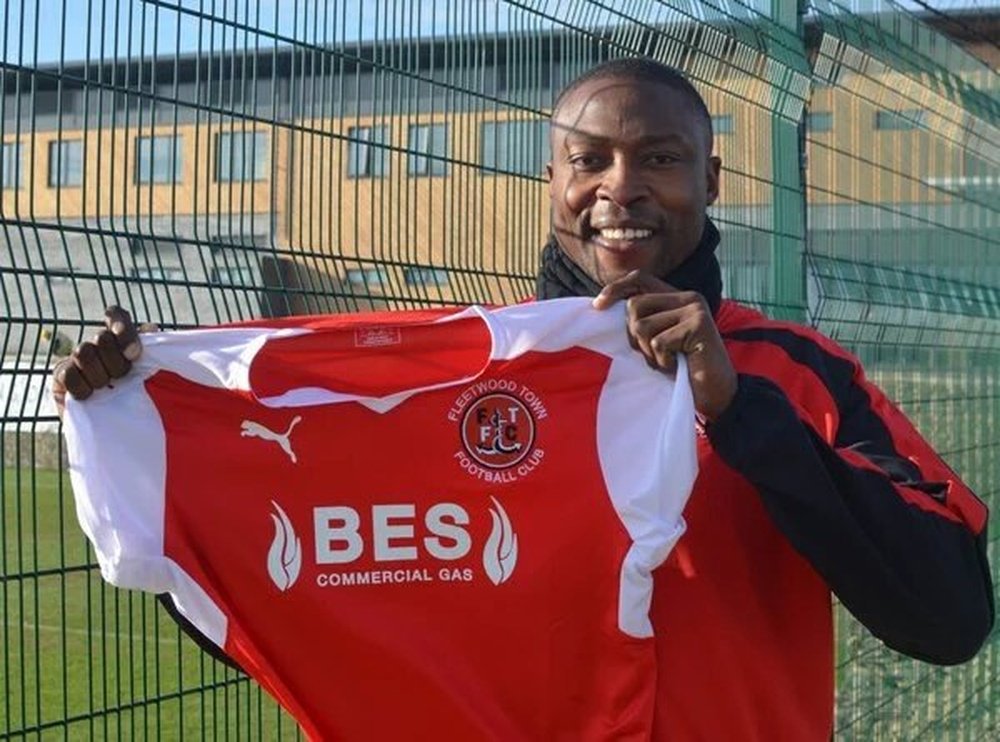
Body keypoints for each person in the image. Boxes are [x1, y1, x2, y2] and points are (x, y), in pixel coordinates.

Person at [53, 58, 993, 740]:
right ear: (552, 182)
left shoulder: (794, 371)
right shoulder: (442, 381)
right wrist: (146, 424)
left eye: (660, 158)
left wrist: (738, 411)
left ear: (712, 179)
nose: (620, 188)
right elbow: (299, 601)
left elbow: (947, 617)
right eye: (589, 160)